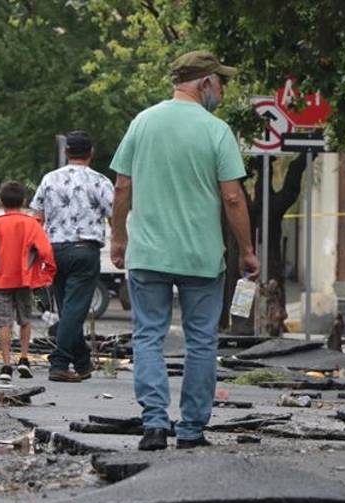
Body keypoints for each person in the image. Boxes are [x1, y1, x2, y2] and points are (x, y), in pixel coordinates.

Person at [110, 50, 260, 451]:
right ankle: (192, 430)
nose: (223, 91)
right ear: (205, 83)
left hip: (148, 254)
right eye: (221, 82)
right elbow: (232, 198)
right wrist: (247, 249)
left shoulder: (142, 122)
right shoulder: (216, 131)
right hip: (200, 257)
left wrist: (118, 238)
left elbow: (122, 187)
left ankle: (155, 426)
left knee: (147, 336)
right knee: (201, 341)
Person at [31, 130, 114, 383]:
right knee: (75, 311)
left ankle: (82, 362)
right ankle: (59, 362)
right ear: (91, 153)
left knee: (69, 310)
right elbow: (114, 213)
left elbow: (37, 217)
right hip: (84, 250)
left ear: (67, 152)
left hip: (54, 250)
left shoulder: (48, 179)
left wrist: (35, 252)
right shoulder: (100, 181)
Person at [0, 181, 56, 384]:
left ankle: (6, 364)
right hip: (25, 280)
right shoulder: (32, 225)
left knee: (4, 323)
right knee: (25, 319)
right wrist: (46, 275)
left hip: (1, 281)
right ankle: (24, 358)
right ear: (24, 201)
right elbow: (46, 252)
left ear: (0, 200)